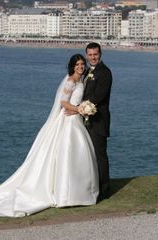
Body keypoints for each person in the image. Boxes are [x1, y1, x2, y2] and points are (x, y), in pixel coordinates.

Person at [0, 54, 99, 217]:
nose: (80, 66)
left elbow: (70, 103)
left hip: (74, 119)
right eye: (77, 64)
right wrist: (79, 109)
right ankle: (65, 194)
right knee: (67, 153)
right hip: (69, 121)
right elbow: (63, 102)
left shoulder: (81, 80)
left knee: (76, 156)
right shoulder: (70, 81)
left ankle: (77, 192)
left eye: (81, 64)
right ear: (72, 66)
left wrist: (80, 109)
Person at [67, 42, 112, 200]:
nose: (93, 57)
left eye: (96, 54)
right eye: (90, 54)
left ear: (100, 54)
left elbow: (98, 96)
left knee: (100, 156)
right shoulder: (86, 72)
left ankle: (104, 191)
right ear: (87, 55)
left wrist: (77, 108)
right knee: (88, 156)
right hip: (84, 121)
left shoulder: (105, 73)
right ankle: (91, 187)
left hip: (98, 121)